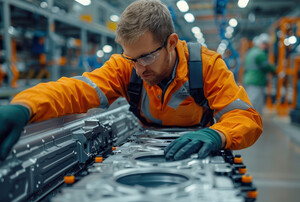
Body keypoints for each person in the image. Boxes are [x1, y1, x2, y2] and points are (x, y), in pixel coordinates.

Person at [0, 0, 263, 162]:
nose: (138, 70)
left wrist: (217, 134)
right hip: (147, 144)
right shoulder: (125, 66)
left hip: (196, 145)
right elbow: (77, 89)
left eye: (146, 58)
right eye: (131, 59)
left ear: (171, 43)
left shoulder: (206, 66)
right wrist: (25, 106)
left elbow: (247, 119)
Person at [243, 33, 276, 115]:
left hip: (248, 79)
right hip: (256, 81)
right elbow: (267, 66)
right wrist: (276, 70)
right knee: (254, 103)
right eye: (265, 44)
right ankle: (250, 122)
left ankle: (253, 121)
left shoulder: (251, 52)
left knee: (253, 102)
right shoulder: (260, 54)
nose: (266, 47)